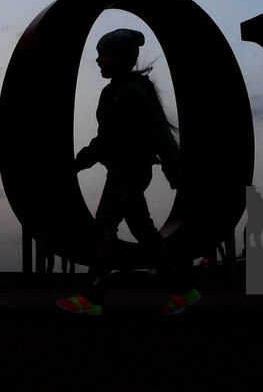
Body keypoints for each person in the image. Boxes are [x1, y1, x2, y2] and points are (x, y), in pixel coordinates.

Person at [56, 28, 197, 317]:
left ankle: (93, 297)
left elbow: (150, 132)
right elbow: (108, 138)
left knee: (104, 226)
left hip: (129, 170)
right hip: (125, 169)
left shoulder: (130, 92)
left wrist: (174, 166)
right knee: (144, 231)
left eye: (103, 55)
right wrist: (80, 162)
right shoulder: (117, 91)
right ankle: (184, 289)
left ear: (119, 58)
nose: (98, 61)